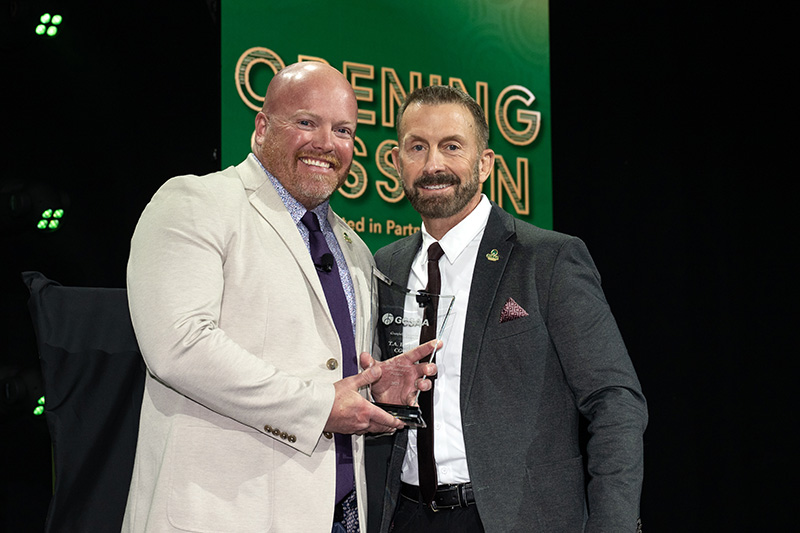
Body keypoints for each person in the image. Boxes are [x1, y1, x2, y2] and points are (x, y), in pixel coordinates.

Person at [122, 62, 436, 533]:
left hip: (339, 515)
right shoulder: (194, 202)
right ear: (263, 126)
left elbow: (333, 376)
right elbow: (179, 347)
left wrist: (376, 390)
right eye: (307, 122)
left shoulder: (353, 248)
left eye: (343, 130)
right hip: (221, 515)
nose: (326, 143)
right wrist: (318, 406)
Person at [366, 85, 648, 532]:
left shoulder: (549, 259)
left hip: (518, 520)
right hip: (404, 516)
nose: (433, 164)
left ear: (485, 164)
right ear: (398, 162)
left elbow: (614, 402)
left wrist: (611, 525)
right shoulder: (384, 265)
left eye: (451, 147)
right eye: (417, 147)